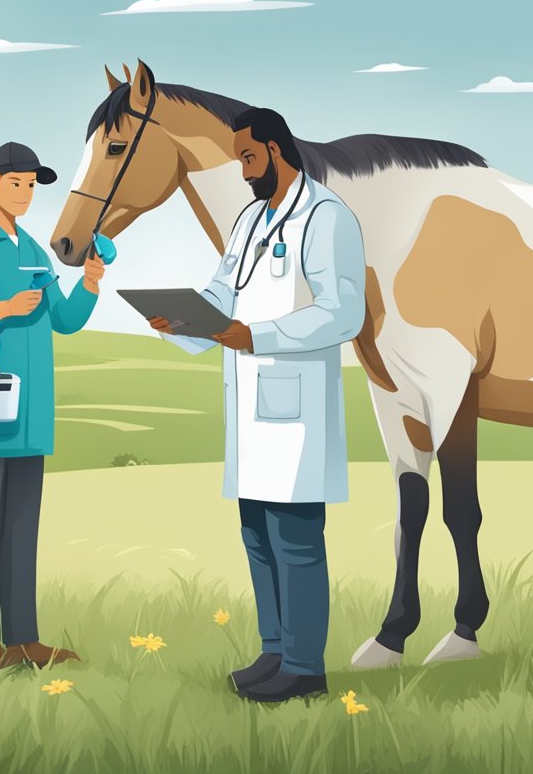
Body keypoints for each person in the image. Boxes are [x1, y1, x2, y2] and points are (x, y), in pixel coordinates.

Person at [149, 108, 366, 702]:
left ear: (276, 149)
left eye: (249, 158)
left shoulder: (326, 217)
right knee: (257, 536)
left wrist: (258, 336)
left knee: (295, 539)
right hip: (249, 407)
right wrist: (180, 322)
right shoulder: (249, 220)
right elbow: (223, 291)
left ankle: (305, 668)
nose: (243, 172)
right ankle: (274, 654)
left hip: (295, 412)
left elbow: (344, 313)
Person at [0, 141, 106, 672]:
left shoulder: (36, 250)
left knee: (20, 529)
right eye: (16, 183)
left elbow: (64, 319)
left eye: (32, 185)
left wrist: (91, 283)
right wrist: (5, 308)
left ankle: (23, 639)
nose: (26, 194)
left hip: (31, 417)